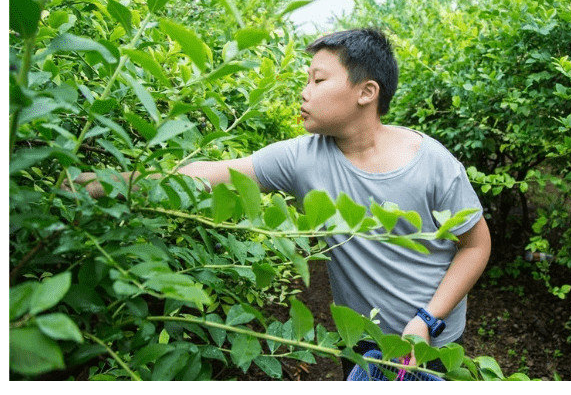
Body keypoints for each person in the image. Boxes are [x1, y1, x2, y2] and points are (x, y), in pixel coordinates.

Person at [68, 28, 490, 378]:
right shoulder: (302, 157)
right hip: (362, 341)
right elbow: (208, 176)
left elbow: (475, 245)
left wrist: (427, 320)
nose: (304, 92)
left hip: (429, 339)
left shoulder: (430, 161)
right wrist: (102, 182)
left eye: (318, 80)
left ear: (366, 92)